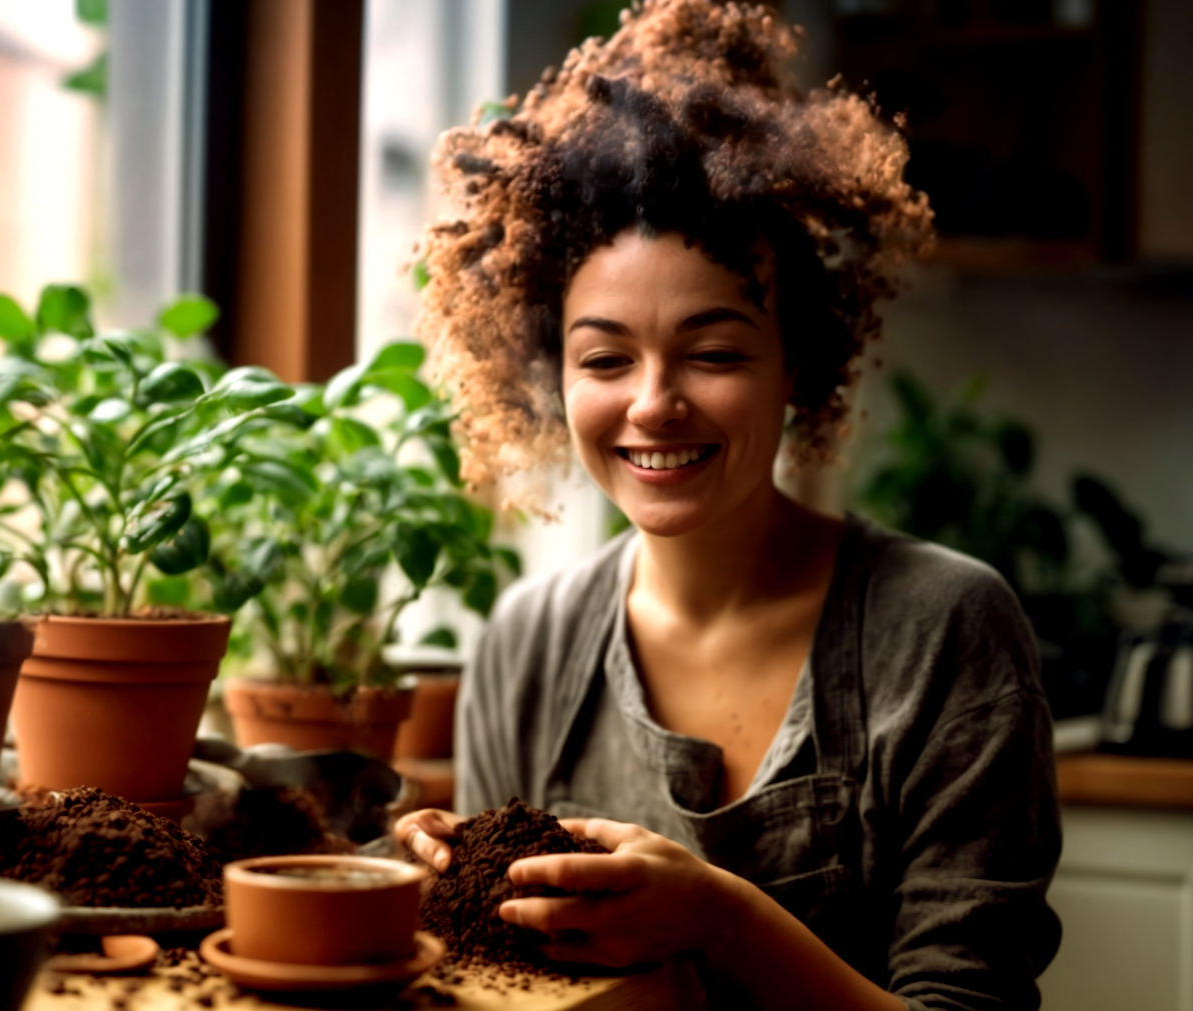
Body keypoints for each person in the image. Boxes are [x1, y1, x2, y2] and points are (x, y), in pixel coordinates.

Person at [394, 2, 1061, 1008]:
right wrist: (446, 889)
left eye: (713, 353)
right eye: (606, 359)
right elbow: (508, 987)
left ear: (799, 365)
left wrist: (722, 916)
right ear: (557, 378)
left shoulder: (944, 629)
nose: (654, 402)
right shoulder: (528, 647)